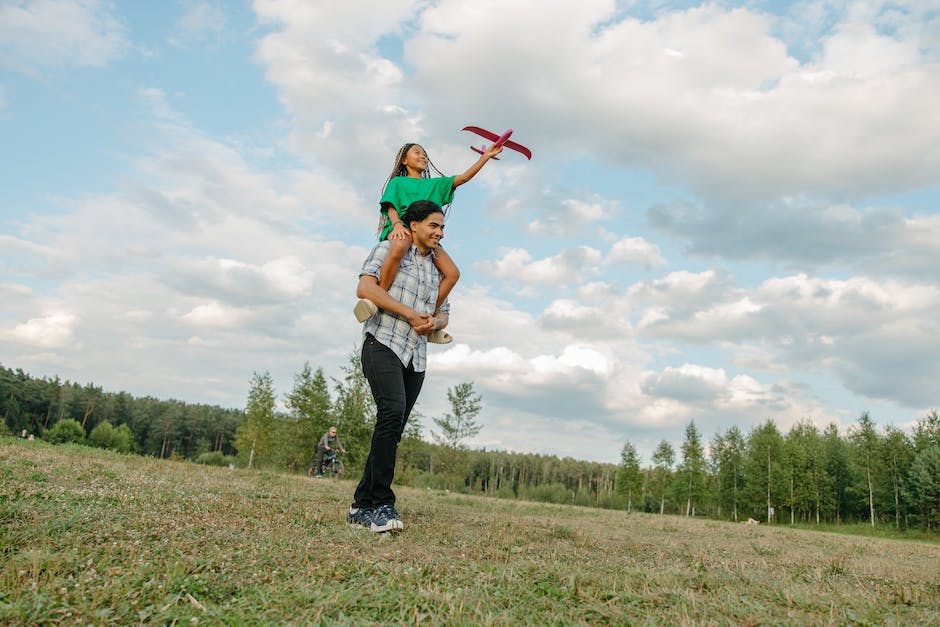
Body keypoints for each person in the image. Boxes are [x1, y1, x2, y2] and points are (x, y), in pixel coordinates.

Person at [347, 199, 450, 533]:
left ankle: (359, 506)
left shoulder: (437, 267)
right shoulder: (389, 248)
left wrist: (433, 321)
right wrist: (407, 313)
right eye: (434, 225)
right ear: (415, 225)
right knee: (391, 414)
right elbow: (365, 287)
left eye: (442, 227)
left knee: (392, 429)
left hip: (415, 355)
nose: (439, 232)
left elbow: (445, 311)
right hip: (383, 342)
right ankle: (381, 505)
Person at [353, 141, 503, 344]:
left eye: (425, 154)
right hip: (404, 227)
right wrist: (396, 224)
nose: (423, 156)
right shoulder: (398, 182)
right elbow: (390, 206)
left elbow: (464, 177)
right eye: (417, 153)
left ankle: (428, 317)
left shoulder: (435, 185)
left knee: (452, 273)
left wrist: (485, 157)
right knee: (398, 246)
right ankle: (377, 301)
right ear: (404, 160)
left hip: (426, 236)